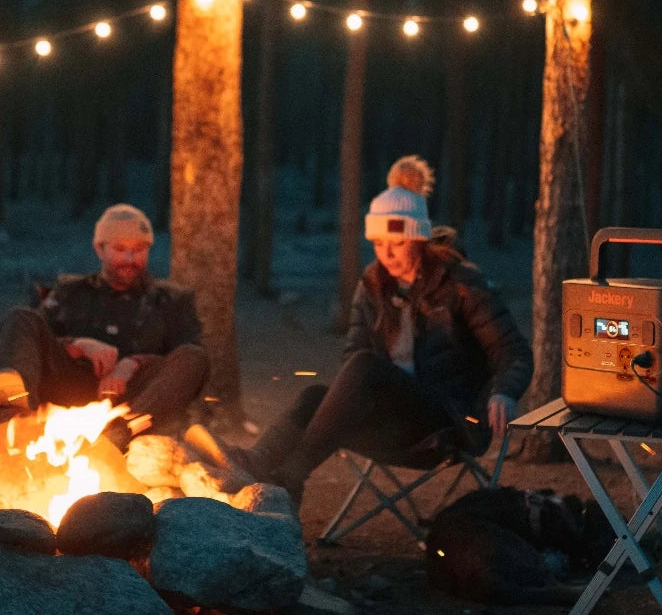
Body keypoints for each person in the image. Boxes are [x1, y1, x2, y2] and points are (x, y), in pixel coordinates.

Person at [192, 156, 532, 503]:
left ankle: (293, 475)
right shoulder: (373, 285)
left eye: (396, 244)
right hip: (390, 419)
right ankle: (255, 461)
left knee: (366, 365)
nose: (386, 254)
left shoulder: (461, 285)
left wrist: (503, 391)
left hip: (444, 424)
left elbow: (512, 350)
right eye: (378, 243)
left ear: (418, 239)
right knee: (315, 396)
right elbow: (354, 353)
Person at [0, 203, 209, 446]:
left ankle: (118, 436)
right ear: (99, 248)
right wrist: (78, 345)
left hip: (135, 400)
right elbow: (38, 344)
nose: (130, 259)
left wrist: (133, 363)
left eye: (139, 249)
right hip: (70, 389)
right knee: (21, 318)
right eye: (120, 249)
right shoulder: (70, 292)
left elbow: (185, 364)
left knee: (194, 356)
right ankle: (10, 422)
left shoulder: (173, 300)